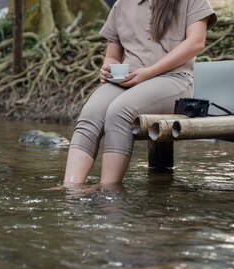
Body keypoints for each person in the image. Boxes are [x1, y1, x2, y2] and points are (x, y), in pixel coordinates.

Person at [63, 0, 217, 187]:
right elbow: (112, 56)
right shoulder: (122, 4)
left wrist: (148, 72)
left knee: (119, 111)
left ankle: (108, 190)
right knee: (91, 113)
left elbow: (196, 43)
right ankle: (71, 189)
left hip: (174, 80)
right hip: (129, 80)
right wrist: (108, 68)